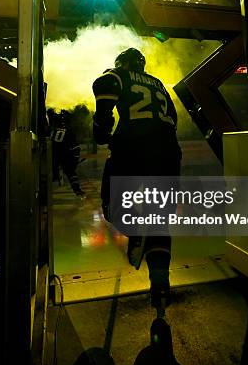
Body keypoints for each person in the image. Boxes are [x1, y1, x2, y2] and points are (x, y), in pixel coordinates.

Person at [92, 48, 182, 312]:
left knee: (113, 208)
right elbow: (172, 119)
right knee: (159, 223)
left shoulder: (120, 74)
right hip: (168, 153)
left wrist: (102, 124)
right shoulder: (159, 85)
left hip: (133, 148)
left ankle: (134, 230)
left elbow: (104, 83)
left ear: (122, 63)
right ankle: (160, 283)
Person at [48, 108, 86, 198]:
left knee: (68, 170)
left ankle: (75, 189)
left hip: (60, 149)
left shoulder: (63, 129)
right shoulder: (69, 130)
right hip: (63, 149)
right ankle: (76, 189)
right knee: (70, 171)